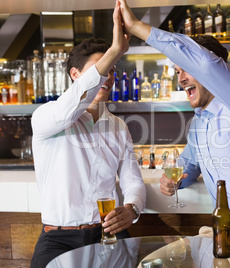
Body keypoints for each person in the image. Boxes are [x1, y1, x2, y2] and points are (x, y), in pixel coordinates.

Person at [116, 1, 230, 267]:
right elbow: (188, 165)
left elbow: (204, 63)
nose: (180, 79)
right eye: (178, 71)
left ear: (215, 72)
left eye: (185, 69)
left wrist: (136, 27)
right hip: (226, 235)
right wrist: (175, 180)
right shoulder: (199, 123)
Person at [30, 3, 146, 267]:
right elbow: (72, 105)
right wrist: (115, 50)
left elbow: (133, 182)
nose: (108, 76)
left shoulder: (119, 127)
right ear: (76, 75)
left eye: (112, 70)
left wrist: (132, 209)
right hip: (58, 239)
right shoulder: (48, 117)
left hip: (109, 235)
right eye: (102, 69)